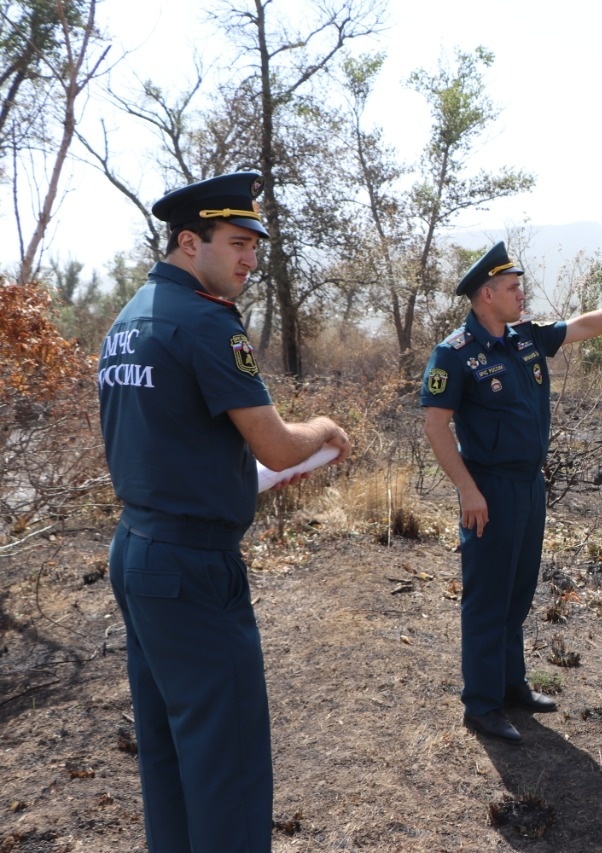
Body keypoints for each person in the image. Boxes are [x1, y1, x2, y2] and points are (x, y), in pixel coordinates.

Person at [97, 171, 352, 852]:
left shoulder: (129, 321)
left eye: (254, 247)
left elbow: (161, 442)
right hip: (191, 567)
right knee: (228, 760)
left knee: (172, 751)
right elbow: (272, 439)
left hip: (138, 550)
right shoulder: (206, 322)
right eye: (238, 242)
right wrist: (322, 428)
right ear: (189, 241)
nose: (249, 259)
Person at [421, 242, 602, 744]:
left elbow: (582, 325)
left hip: (529, 483)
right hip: (489, 488)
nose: (523, 293)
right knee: (486, 598)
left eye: (521, 285)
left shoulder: (526, 338)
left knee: (518, 590)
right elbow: (436, 427)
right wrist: (467, 490)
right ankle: (481, 704)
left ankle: (511, 685)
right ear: (486, 294)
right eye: (514, 287)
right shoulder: (454, 353)